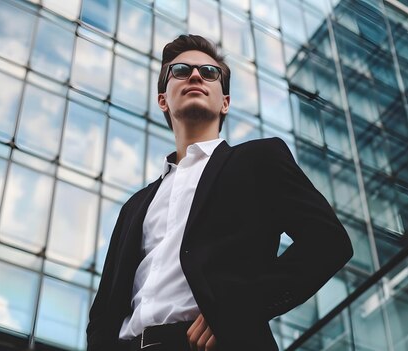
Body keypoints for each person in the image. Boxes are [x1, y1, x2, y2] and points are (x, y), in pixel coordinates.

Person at [86, 34, 353, 351]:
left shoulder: (259, 160)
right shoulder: (134, 206)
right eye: (181, 70)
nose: (196, 75)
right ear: (163, 99)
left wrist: (238, 308)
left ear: (225, 102)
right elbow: (104, 311)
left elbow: (328, 242)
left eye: (209, 73)